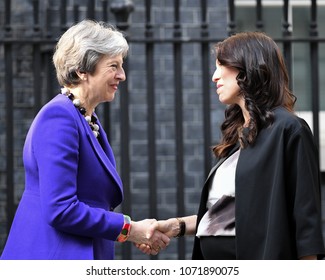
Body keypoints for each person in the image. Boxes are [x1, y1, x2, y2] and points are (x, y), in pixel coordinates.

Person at [140, 31, 325, 259]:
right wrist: (176, 226)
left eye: (221, 65)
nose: (214, 76)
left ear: (246, 67)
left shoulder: (289, 129)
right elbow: (230, 215)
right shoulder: (238, 135)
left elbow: (305, 221)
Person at [1, 19, 169, 260]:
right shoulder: (59, 117)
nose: (122, 75)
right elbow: (61, 209)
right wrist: (129, 230)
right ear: (82, 70)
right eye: (113, 66)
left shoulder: (84, 118)